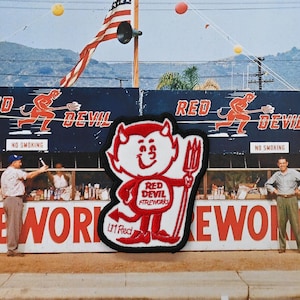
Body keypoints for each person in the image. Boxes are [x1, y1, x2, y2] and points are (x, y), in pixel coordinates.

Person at [1, 154, 48, 257]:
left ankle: (11, 248)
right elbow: (29, 176)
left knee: (11, 225)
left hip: (7, 199)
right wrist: (40, 170)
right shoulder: (15, 171)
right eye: (19, 161)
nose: (21, 163)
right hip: (14, 199)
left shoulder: (5, 173)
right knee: (15, 225)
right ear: (14, 163)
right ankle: (12, 249)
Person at [265, 157, 300, 253]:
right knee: (281, 224)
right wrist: (274, 190)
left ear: (287, 163)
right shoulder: (277, 175)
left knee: (295, 224)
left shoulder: (293, 172)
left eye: (283, 163)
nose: (282, 165)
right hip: (281, 199)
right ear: (278, 165)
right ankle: (282, 246)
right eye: (280, 163)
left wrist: (298, 189)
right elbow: (267, 184)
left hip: (292, 198)